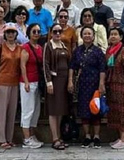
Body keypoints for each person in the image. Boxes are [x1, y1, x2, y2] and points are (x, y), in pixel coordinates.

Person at [69, 26, 106, 149]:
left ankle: (96, 136)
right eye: (85, 33)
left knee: (95, 110)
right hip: (82, 85)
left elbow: (102, 69)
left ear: (93, 36)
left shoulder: (98, 51)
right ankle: (87, 136)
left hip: (95, 84)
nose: (87, 36)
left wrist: (101, 83)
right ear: (81, 36)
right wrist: (70, 81)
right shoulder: (77, 51)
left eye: (89, 33)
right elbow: (72, 67)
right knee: (84, 111)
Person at [0, 24, 22, 149]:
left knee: (11, 112)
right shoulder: (0, 48)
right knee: (1, 112)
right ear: (5, 34)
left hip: (15, 83)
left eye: (13, 32)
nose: (10, 34)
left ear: (16, 34)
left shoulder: (19, 48)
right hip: (2, 82)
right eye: (8, 32)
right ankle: (2, 138)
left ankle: (9, 138)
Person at [44, 23, 72, 151]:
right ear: (51, 33)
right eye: (55, 31)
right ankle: (54, 138)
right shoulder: (48, 46)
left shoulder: (64, 45)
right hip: (54, 81)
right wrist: (49, 82)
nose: (57, 34)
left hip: (64, 81)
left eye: (59, 31)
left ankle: (59, 136)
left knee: (60, 109)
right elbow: (46, 65)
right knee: (53, 110)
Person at [19, 23, 44, 149]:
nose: (36, 34)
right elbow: (22, 65)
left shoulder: (40, 47)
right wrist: (26, 81)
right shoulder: (25, 47)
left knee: (36, 110)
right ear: (29, 33)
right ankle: (26, 138)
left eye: (38, 31)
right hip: (27, 82)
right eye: (34, 31)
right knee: (27, 110)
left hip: (37, 82)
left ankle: (32, 135)